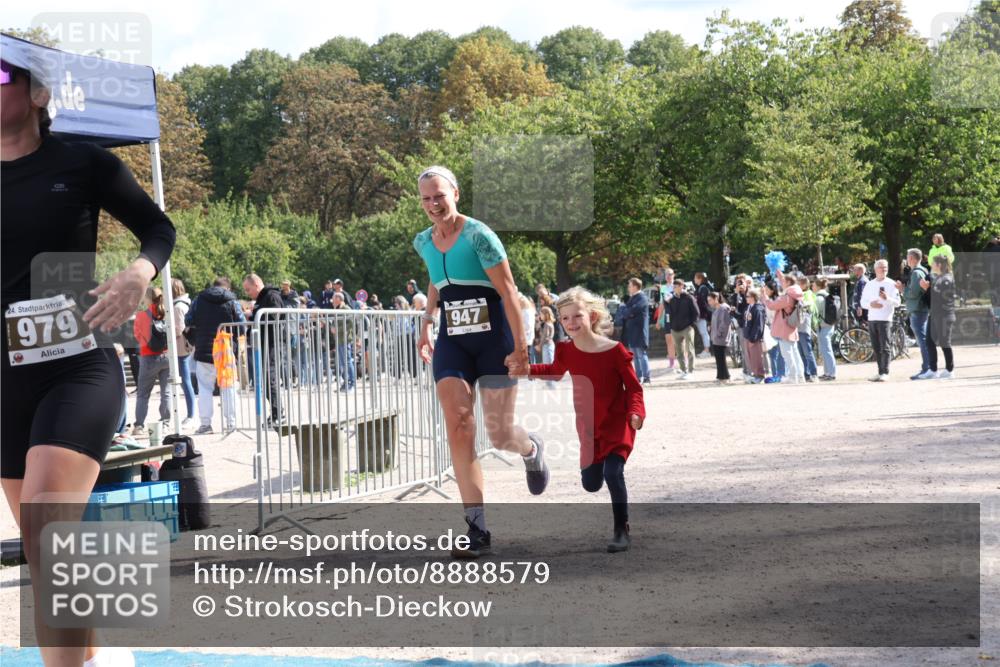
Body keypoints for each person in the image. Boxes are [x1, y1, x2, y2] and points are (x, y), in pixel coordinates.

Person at [2, 57, 176, 667]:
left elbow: (158, 228)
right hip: (4, 383)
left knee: (49, 528)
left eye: (0, 76)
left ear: (37, 91)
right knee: (48, 549)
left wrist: (138, 270)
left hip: (77, 365)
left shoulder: (82, 162)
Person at [412, 165, 547, 558]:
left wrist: (522, 349)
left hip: (494, 339)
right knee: (459, 424)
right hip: (454, 339)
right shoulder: (423, 241)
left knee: (500, 432)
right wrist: (428, 321)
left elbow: (508, 292)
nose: (434, 204)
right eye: (426, 198)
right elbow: (436, 282)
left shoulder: (478, 235)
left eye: (440, 195)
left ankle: (530, 449)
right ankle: (477, 529)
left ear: (455, 193)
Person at [523, 287, 644, 552]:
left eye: (577, 316)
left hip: (618, 423)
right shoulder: (566, 350)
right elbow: (554, 372)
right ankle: (597, 471)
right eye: (565, 318)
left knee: (614, 473)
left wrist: (636, 413)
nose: (571, 323)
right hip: (589, 428)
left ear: (592, 315)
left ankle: (621, 530)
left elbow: (634, 389)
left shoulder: (615, 350)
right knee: (591, 484)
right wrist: (527, 369)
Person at [187, 277, 245, 435]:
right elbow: (242, 324)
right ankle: (231, 424)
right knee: (229, 387)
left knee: (204, 388)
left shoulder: (199, 299)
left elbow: (188, 320)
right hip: (226, 351)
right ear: (228, 288)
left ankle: (206, 424)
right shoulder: (232, 301)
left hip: (204, 350)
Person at [242, 273, 286, 424]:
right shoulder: (262, 298)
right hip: (264, 343)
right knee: (266, 379)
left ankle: (278, 414)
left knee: (270, 378)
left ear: (256, 285)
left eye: (248, 289)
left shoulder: (271, 296)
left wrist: (254, 316)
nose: (248, 293)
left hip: (271, 344)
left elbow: (274, 318)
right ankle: (276, 412)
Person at [132, 289, 173, 436]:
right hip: (167, 357)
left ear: (148, 299)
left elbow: (137, 335)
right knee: (166, 392)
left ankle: (139, 426)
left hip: (149, 357)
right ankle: (166, 423)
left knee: (143, 394)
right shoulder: (168, 313)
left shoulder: (142, 315)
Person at [859, 259, 901, 382]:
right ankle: (880, 371)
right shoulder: (869, 284)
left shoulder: (891, 283)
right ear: (875, 269)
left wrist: (887, 298)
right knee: (876, 347)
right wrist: (871, 305)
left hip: (885, 319)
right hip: (872, 318)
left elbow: (898, 303)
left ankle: (885, 372)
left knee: (885, 346)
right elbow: (863, 302)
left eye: (886, 268)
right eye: (881, 267)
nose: (884, 270)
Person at [762, 271, 805, 384]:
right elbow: (783, 280)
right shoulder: (795, 293)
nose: (781, 283)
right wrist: (777, 270)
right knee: (795, 353)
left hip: (784, 328)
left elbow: (771, 305)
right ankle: (800, 376)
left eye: (784, 282)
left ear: (788, 283)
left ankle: (792, 376)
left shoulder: (787, 297)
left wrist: (764, 297)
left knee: (787, 354)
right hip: (791, 327)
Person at [896, 249, 932, 380]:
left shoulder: (916, 273)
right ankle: (928, 367)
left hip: (918, 309)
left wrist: (902, 290)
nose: (906, 259)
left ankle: (927, 368)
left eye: (907, 257)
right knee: (923, 340)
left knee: (922, 340)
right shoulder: (921, 271)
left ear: (912, 259)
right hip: (919, 309)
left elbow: (913, 293)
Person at [922, 254, 957, 379]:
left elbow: (942, 297)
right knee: (929, 341)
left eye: (934, 263)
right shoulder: (938, 277)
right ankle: (933, 369)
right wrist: (927, 289)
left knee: (944, 342)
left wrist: (928, 288)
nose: (932, 266)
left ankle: (949, 369)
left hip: (944, 315)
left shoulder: (947, 278)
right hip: (935, 314)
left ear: (940, 265)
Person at [171, 278, 197, 429]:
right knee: (186, 382)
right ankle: (190, 414)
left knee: (186, 382)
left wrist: (166, 332)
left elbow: (179, 329)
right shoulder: (186, 303)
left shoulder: (177, 307)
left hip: (181, 347)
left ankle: (191, 415)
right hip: (186, 346)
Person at [619, 277, 651, 384]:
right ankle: (638, 377)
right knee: (635, 356)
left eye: (630, 286)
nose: (628, 288)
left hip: (640, 331)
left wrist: (627, 311)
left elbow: (630, 311)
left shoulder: (642, 298)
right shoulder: (632, 298)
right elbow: (625, 313)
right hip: (632, 331)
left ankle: (646, 377)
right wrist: (627, 311)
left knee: (641, 354)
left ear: (636, 286)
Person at [667, 278, 699, 379]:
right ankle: (683, 370)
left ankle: (690, 371)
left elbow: (696, 312)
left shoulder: (689, 298)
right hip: (675, 328)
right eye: (673, 287)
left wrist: (691, 324)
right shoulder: (671, 299)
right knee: (679, 352)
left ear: (681, 286)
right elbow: (669, 313)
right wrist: (666, 302)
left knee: (689, 349)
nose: (674, 288)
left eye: (676, 286)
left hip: (687, 327)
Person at [812, 278, 837, 381]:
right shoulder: (826, 295)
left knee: (826, 350)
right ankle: (827, 372)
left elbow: (814, 312)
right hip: (829, 324)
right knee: (826, 349)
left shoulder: (818, 298)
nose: (812, 287)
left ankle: (831, 373)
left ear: (817, 286)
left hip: (823, 326)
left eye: (813, 285)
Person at [794, 275, 818, 382]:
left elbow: (810, 305)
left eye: (798, 283)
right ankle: (806, 373)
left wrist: (800, 302)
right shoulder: (798, 294)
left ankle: (813, 373)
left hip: (804, 327)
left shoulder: (808, 294)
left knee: (807, 352)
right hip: (797, 328)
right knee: (801, 353)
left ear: (803, 284)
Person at [762, 281, 786, 383]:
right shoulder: (766, 300)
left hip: (779, 328)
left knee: (780, 353)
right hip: (770, 329)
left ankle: (781, 374)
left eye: (767, 289)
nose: (765, 291)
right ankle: (775, 373)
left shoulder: (777, 300)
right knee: (772, 353)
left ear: (772, 290)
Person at [707, 292, 732, 385]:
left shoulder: (723, 308)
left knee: (721, 358)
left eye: (710, 300)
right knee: (718, 358)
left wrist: (718, 334)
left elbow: (724, 323)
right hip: (716, 338)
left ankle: (725, 377)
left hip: (721, 338)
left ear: (716, 299)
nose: (709, 302)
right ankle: (720, 376)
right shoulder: (717, 309)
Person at [654, 269, 677, 372]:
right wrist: (659, 320)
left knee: (680, 340)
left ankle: (684, 362)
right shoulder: (663, 288)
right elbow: (662, 304)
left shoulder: (678, 285)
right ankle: (671, 364)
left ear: (674, 275)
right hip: (667, 317)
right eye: (666, 274)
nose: (668, 276)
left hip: (678, 317)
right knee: (669, 339)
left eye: (670, 274)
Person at [742, 289, 767, 382]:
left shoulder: (758, 308)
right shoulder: (749, 307)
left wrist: (753, 338)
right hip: (747, 336)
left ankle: (760, 376)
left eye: (748, 296)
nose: (746, 298)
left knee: (756, 357)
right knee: (751, 357)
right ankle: (755, 374)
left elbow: (758, 325)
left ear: (753, 297)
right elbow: (744, 321)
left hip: (754, 338)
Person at [693, 272, 712, 357]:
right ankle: (706, 350)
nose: (694, 280)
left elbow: (704, 303)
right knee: (703, 332)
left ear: (700, 278)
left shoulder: (702, 288)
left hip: (702, 314)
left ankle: (707, 350)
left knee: (704, 332)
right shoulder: (702, 288)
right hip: (702, 314)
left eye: (695, 278)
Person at [519, 293, 537, 364]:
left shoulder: (526, 311)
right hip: (527, 337)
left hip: (526, 337)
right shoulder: (529, 310)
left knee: (527, 357)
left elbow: (527, 325)